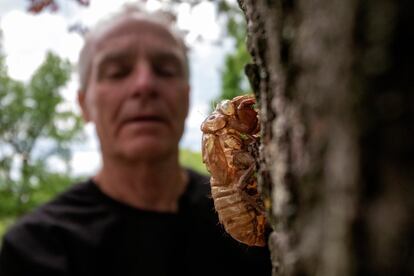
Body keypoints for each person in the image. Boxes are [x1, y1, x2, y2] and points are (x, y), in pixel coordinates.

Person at [0, 6, 271, 276]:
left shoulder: (271, 211)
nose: (144, 85)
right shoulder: (36, 248)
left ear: (187, 97)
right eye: (117, 72)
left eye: (165, 70)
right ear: (84, 104)